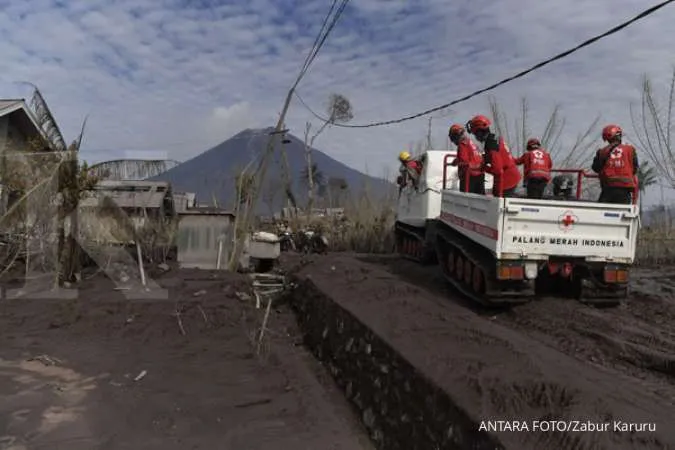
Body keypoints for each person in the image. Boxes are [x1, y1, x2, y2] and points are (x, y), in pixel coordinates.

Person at [466, 115, 521, 197]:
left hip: (506, 179)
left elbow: (498, 170)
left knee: (498, 207)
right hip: (511, 175)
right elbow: (502, 158)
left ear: (480, 132)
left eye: (475, 134)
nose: (476, 137)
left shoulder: (491, 144)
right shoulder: (495, 138)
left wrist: (483, 168)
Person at [591, 124, 639, 204]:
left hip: (608, 190)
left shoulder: (602, 152)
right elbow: (635, 169)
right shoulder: (630, 150)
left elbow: (596, 168)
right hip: (625, 191)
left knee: (601, 214)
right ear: (619, 136)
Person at [448, 124, 485, 194]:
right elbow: (471, 157)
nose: (453, 142)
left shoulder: (462, 144)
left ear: (456, 136)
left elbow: (463, 161)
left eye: (453, 138)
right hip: (480, 174)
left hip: (469, 176)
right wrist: (457, 160)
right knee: (479, 199)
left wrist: (456, 162)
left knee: (466, 201)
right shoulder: (471, 142)